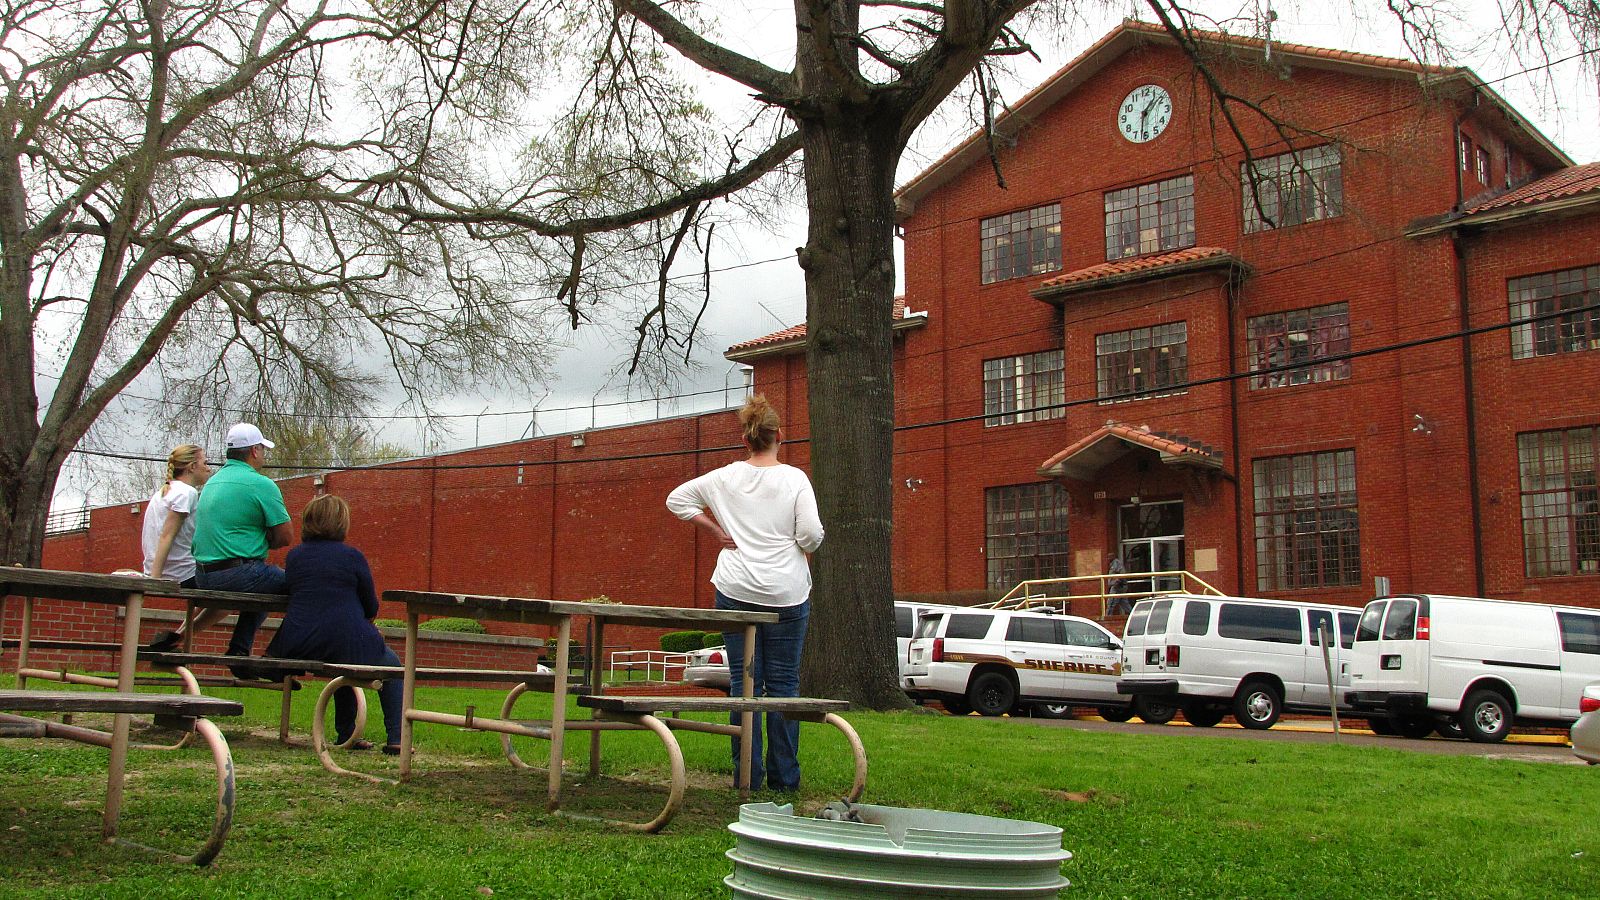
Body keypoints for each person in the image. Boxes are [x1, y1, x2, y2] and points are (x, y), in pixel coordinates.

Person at [666, 394, 824, 792]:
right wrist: (800, 549)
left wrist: (717, 530)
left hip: (735, 589)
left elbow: (677, 499)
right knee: (784, 684)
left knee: (744, 681)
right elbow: (811, 534)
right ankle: (785, 780)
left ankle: (746, 775)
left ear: (745, 440)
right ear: (779, 437)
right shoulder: (794, 479)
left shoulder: (724, 478)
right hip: (785, 593)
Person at [267, 494, 403, 753]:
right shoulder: (352, 557)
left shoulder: (295, 557)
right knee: (393, 668)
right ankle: (397, 738)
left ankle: (347, 734)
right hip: (346, 639)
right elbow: (371, 606)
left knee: (346, 660)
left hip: (300, 642)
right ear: (342, 523)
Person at [153, 423, 291, 676]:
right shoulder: (261, 484)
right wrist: (264, 539)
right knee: (304, 587)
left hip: (204, 575)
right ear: (254, 451)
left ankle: (239, 652)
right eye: (262, 448)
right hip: (237, 572)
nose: (263, 453)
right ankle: (275, 659)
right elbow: (285, 536)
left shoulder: (211, 484)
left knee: (266, 580)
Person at [140, 444, 212, 587]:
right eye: (205, 463)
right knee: (232, 584)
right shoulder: (186, 493)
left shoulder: (163, 492)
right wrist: (155, 579)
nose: (209, 468)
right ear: (192, 467)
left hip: (159, 569)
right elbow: (167, 536)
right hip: (181, 573)